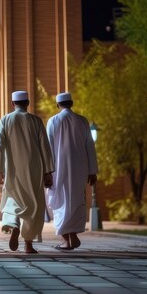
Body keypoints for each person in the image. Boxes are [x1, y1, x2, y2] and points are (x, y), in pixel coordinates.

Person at [0, 90, 55, 254]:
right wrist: (48, 171)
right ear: (27, 103)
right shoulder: (36, 121)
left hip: (13, 170)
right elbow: (45, 147)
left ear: (12, 104)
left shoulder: (6, 120)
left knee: (12, 199)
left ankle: (13, 225)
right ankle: (28, 244)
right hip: (34, 169)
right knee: (33, 205)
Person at [46, 92, 98, 250]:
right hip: (79, 169)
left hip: (58, 169)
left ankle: (68, 239)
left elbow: (48, 148)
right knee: (75, 201)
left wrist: (46, 172)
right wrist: (92, 171)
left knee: (59, 201)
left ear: (57, 105)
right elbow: (90, 147)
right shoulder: (82, 121)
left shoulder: (53, 121)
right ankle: (70, 238)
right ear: (72, 103)